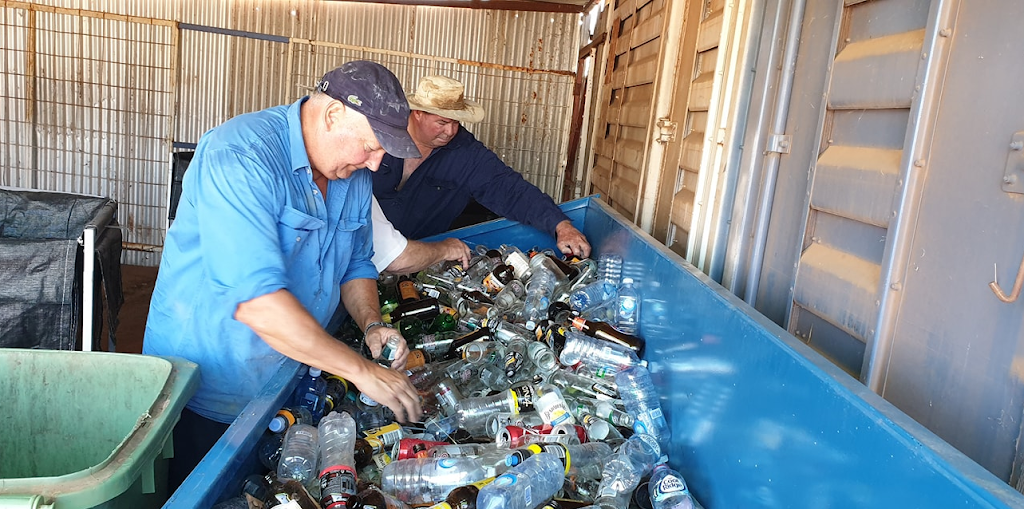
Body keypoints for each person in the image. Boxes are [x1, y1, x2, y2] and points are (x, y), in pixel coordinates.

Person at [143, 60, 424, 490]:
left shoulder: (348, 175)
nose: (374, 163)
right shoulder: (240, 156)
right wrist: (364, 373)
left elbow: (356, 263)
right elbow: (259, 304)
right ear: (333, 115)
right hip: (206, 388)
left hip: (285, 380)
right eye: (370, 146)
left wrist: (372, 325)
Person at [371, 75, 592, 258]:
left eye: (456, 122)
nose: (450, 132)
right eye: (442, 122)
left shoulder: (465, 152)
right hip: (359, 253)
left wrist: (561, 226)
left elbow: (510, 189)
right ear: (417, 113)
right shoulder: (376, 137)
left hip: (420, 258)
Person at [371, 196, 471, 274]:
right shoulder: (358, 183)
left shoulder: (361, 183)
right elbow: (396, 259)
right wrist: (447, 249)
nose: (374, 168)